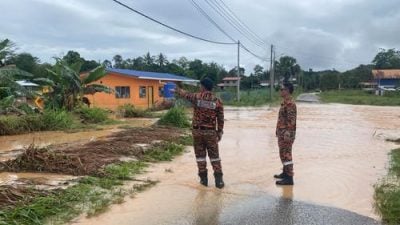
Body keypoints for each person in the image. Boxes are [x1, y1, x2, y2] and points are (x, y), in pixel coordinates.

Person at [173, 78, 225, 188]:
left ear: (203, 87)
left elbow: (185, 94)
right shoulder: (217, 101)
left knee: (200, 157)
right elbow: (220, 119)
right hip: (211, 133)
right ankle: (219, 181)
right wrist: (219, 132)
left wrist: (177, 89)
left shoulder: (196, 97)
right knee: (215, 157)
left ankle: (203, 181)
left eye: (200, 86)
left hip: (197, 132)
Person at [274, 82, 297, 185]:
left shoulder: (290, 104)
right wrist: (277, 130)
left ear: (287, 91)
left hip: (286, 134)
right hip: (282, 132)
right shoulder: (284, 103)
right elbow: (282, 119)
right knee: (282, 154)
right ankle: (285, 173)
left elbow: (291, 120)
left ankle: (289, 178)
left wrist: (288, 133)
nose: (280, 91)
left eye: (282, 89)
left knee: (287, 155)